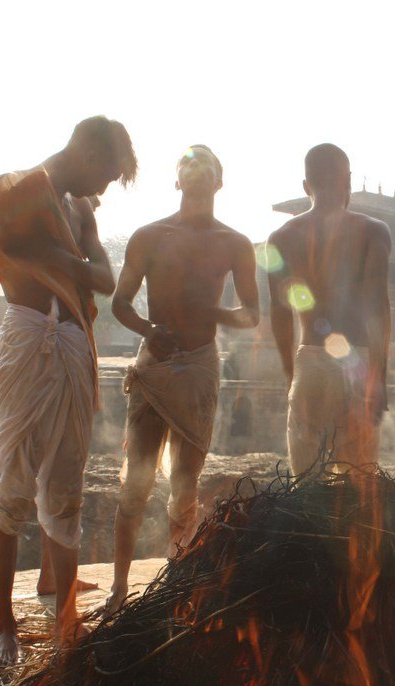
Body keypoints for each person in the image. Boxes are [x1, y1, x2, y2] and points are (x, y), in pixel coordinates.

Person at [0, 116, 137, 665]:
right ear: (85, 150)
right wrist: (11, 232)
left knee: (65, 488)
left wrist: (56, 257)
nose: (103, 189)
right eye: (106, 174)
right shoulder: (21, 189)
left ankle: (65, 621)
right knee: (14, 488)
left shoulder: (78, 210)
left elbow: (104, 278)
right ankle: (3, 625)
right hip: (28, 336)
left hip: (73, 345)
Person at [104, 145, 259, 615]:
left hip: (198, 365)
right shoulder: (150, 236)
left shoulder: (235, 242)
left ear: (219, 181)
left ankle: (176, 580)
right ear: (176, 182)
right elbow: (120, 303)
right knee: (136, 482)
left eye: (206, 168)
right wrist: (150, 330)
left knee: (186, 483)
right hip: (154, 364)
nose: (196, 174)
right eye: (187, 168)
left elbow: (252, 313)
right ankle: (118, 586)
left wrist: (211, 312)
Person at [266, 144, 391, 475]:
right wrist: (378, 377)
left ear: (306, 186)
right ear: (348, 181)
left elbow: (279, 314)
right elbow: (377, 308)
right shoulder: (374, 232)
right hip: (358, 363)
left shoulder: (280, 237)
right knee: (359, 479)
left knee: (306, 484)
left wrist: (291, 373)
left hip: (311, 361)